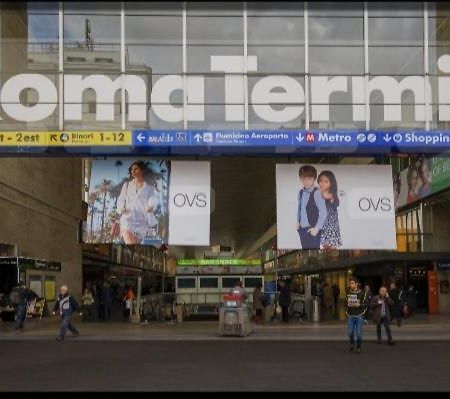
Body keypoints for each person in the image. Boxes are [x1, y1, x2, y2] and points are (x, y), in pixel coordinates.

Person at [116, 161, 160, 244]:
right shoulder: (127, 185)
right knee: (128, 238)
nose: (133, 171)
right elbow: (121, 199)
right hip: (127, 219)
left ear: (142, 170)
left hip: (142, 221)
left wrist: (151, 206)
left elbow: (153, 198)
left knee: (135, 243)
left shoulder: (149, 187)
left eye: (135, 169)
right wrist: (121, 208)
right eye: (132, 170)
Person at [296, 165, 328, 249]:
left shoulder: (317, 192)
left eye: (309, 179)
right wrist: (297, 222)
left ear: (314, 178)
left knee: (314, 252)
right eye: (304, 178)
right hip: (302, 229)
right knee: (305, 250)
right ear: (300, 178)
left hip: (312, 229)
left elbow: (323, 212)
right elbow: (300, 208)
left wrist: (317, 229)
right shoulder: (301, 192)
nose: (306, 181)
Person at [317, 171, 342, 249]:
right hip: (323, 224)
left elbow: (325, 197)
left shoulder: (330, 194)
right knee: (326, 246)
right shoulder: (319, 193)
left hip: (330, 225)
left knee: (330, 245)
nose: (322, 183)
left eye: (326, 181)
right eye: (321, 181)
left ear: (331, 183)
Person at [345, 277, 369, 354]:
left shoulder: (363, 293)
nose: (350, 285)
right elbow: (345, 302)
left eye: (352, 283)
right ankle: (352, 343)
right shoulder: (348, 292)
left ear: (356, 284)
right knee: (350, 332)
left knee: (358, 333)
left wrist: (359, 305)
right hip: (350, 315)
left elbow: (366, 304)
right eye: (350, 283)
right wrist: (347, 304)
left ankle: (358, 346)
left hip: (359, 315)